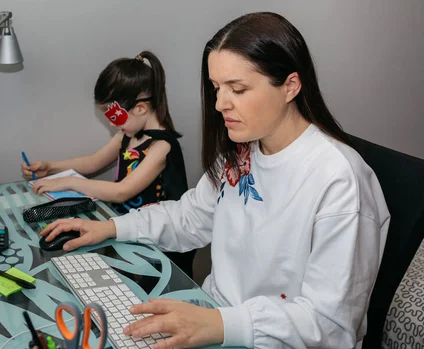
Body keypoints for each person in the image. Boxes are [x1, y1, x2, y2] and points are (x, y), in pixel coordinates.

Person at [39, 12, 390, 349]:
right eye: (216, 87)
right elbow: (189, 217)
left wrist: (221, 324)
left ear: (290, 86)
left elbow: (330, 324)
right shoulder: (240, 152)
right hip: (216, 315)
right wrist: (112, 228)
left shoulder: (340, 181)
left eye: (237, 89)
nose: (221, 103)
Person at [22, 51, 196, 278]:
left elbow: (121, 192)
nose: (111, 123)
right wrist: (51, 167)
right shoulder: (127, 135)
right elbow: (93, 162)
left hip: (159, 245)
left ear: (141, 108)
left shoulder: (161, 146)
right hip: (127, 231)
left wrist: (70, 182)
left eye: (113, 116)